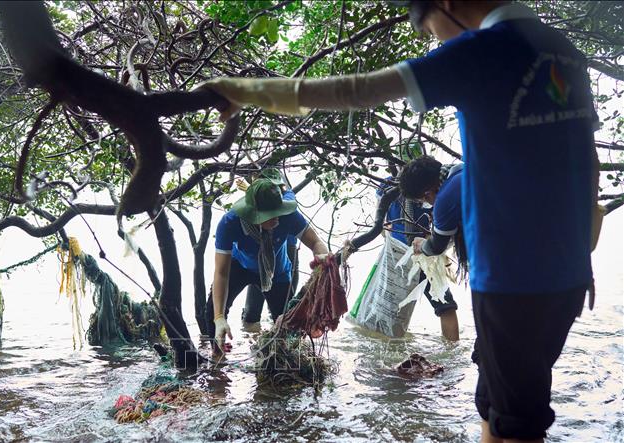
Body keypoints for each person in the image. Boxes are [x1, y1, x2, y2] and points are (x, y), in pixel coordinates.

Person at [201, 2, 600, 440]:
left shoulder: (480, 49)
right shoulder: (560, 49)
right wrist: (583, 245)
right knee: (498, 407)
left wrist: (244, 91)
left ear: (445, 5)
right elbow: (586, 163)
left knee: (518, 425)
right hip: (568, 275)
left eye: (432, 31)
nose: (438, 43)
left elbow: (357, 90)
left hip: (511, 278)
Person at [207, 178, 328, 353]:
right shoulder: (230, 222)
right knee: (213, 310)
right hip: (240, 264)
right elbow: (221, 273)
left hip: (276, 272)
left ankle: (281, 360)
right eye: (269, 216)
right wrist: (219, 318)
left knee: (286, 322)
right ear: (252, 214)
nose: (276, 219)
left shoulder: (288, 215)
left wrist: (323, 256)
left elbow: (316, 241)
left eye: (278, 212)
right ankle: (217, 358)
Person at [377, 171, 460, 341]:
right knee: (444, 306)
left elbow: (381, 228)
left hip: (413, 254)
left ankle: (388, 351)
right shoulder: (422, 184)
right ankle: (452, 350)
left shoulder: (414, 184)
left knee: (389, 308)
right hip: (409, 254)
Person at [240, 168, 300, 329]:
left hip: (287, 247)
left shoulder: (287, 200)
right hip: (261, 251)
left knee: (284, 302)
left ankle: (278, 332)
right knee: (254, 304)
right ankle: (252, 329)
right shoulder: (256, 203)